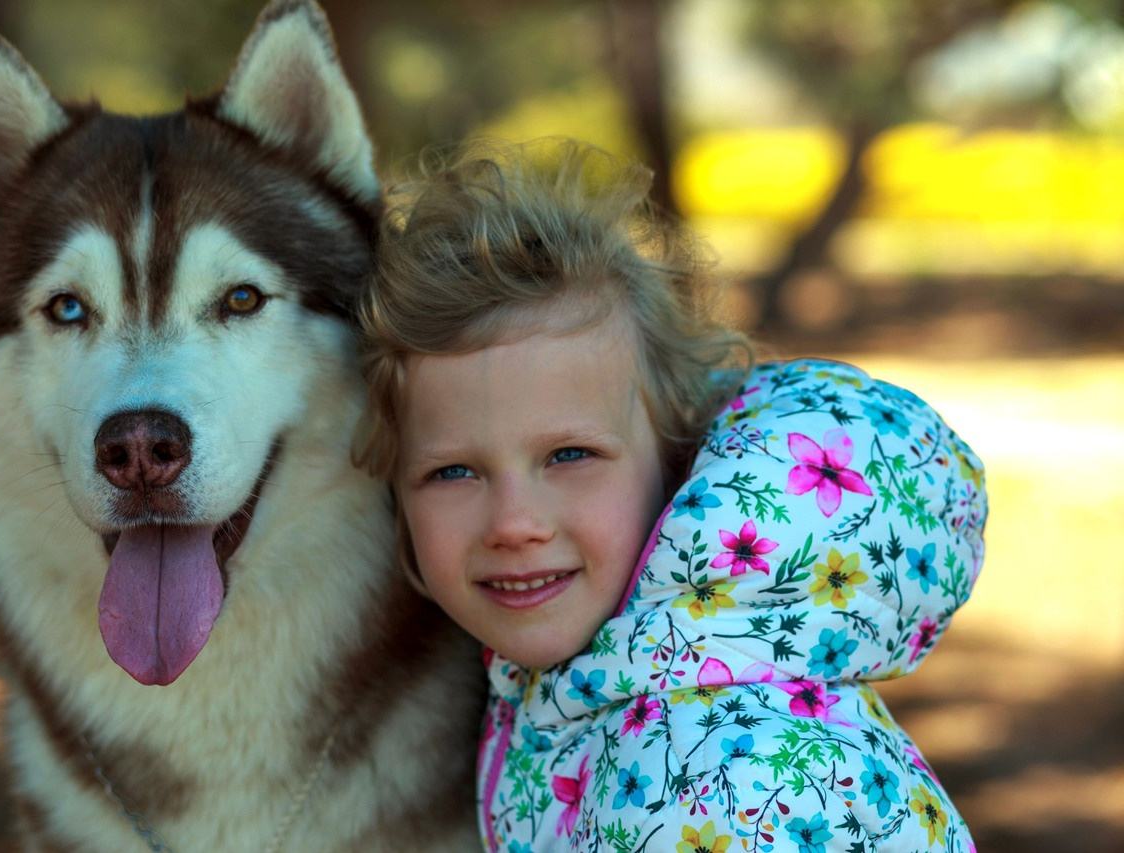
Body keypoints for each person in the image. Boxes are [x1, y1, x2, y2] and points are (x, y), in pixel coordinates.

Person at [354, 138, 986, 853]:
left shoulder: (727, 784)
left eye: (569, 455)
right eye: (453, 472)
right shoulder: (577, 689)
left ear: (675, 455)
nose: (514, 522)